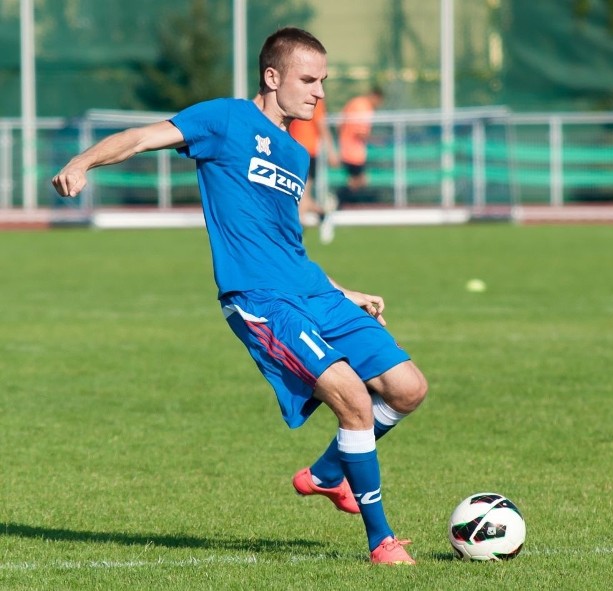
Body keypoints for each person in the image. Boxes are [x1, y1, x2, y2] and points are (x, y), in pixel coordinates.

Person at [52, 27, 427, 565]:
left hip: (310, 292)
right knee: (353, 401)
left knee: (408, 388)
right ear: (272, 77)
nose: (320, 92)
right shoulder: (225, 120)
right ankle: (381, 542)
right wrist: (83, 161)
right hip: (260, 301)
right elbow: (138, 137)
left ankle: (326, 473)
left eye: (323, 81)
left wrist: (344, 292)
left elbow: (287, 246)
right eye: (308, 79)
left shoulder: (297, 156)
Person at [289, 98, 338, 226]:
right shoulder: (294, 98)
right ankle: (323, 213)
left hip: (307, 153)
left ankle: (299, 231)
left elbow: (321, 126)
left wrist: (331, 150)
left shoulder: (314, 102)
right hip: (294, 151)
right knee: (299, 195)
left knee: (301, 195)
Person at [338, 87, 384, 203]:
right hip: (353, 153)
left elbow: (340, 123)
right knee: (360, 181)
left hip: (349, 150)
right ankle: (337, 200)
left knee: (356, 181)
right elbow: (360, 132)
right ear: (375, 96)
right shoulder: (363, 108)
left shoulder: (356, 103)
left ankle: (341, 203)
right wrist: (375, 140)